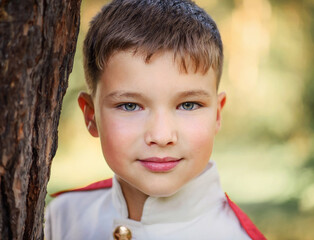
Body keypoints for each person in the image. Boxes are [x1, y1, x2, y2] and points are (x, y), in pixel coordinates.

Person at [44, 0, 266, 239]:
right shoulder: (64, 216)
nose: (161, 136)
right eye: (130, 106)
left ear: (217, 115)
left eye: (188, 105)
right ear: (91, 115)